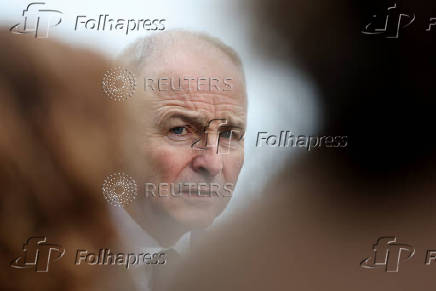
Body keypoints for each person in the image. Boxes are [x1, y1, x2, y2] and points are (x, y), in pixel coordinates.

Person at [112, 30, 247, 290]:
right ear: (118, 133)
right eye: (179, 130)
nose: (213, 163)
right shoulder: (40, 253)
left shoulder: (256, 269)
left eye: (229, 134)